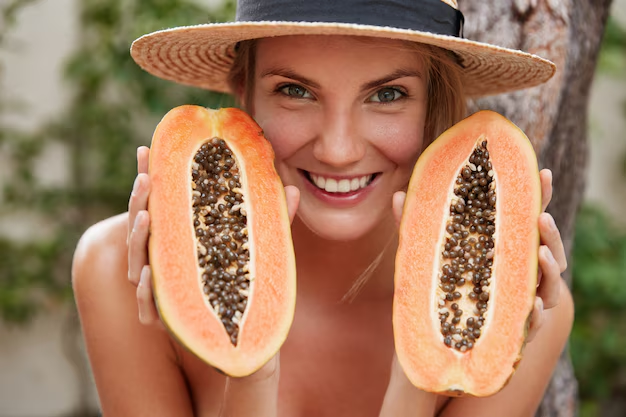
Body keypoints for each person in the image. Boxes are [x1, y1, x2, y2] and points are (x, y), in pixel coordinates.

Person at [72, 0, 573, 415]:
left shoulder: (527, 312)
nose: (338, 149)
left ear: (434, 106)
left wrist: (422, 368)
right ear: (242, 93)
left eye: (387, 94)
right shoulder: (117, 270)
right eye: (295, 91)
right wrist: (250, 371)